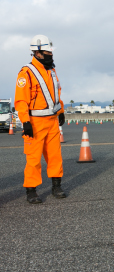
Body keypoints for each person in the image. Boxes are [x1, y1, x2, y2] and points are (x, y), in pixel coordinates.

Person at [15, 35, 67, 204]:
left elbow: (56, 94)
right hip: (35, 123)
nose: (50, 54)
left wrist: (61, 112)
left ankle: (56, 186)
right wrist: (25, 121)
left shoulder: (51, 70)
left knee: (55, 156)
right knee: (33, 159)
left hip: (52, 121)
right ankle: (31, 190)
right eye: (46, 52)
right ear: (37, 53)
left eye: (50, 51)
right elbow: (21, 100)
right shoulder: (26, 73)